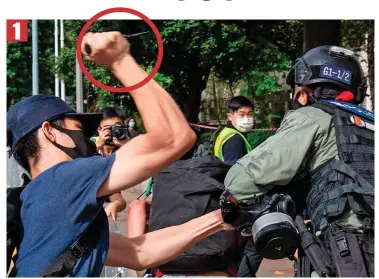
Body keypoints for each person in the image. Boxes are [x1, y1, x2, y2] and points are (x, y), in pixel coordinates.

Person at [7, 31, 232, 277]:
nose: (86, 141)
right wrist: (120, 59)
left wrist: (221, 218)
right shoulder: (61, 179)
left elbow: (140, 253)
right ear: (50, 132)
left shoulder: (42, 201)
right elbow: (175, 138)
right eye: (78, 130)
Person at [221, 45, 374, 277]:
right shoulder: (371, 124)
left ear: (303, 93)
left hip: (351, 250)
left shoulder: (313, 117)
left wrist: (229, 202)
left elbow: (243, 180)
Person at [93, 107, 127, 221]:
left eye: (118, 128)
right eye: (109, 128)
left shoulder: (124, 151)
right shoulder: (88, 145)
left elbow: (119, 199)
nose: (114, 132)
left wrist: (128, 147)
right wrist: (96, 146)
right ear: (99, 129)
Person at [214, 96, 254, 165]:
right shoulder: (235, 139)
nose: (246, 118)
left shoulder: (226, 131)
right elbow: (232, 171)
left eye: (249, 114)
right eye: (241, 114)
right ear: (230, 116)